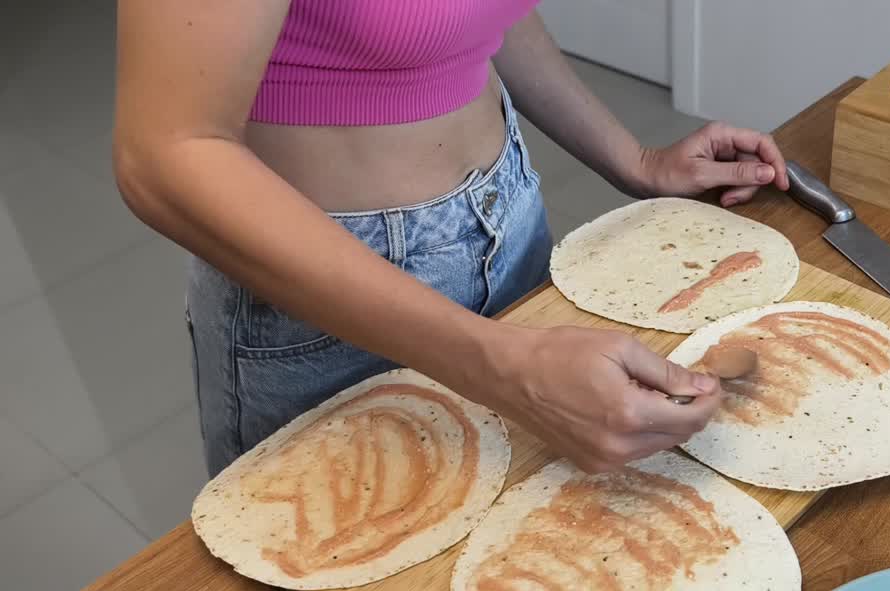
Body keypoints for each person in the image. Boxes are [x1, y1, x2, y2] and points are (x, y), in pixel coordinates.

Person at [113, 1, 789, 477]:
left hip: (508, 215)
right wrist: (501, 366)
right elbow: (165, 157)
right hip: (326, 287)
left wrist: (635, 161)